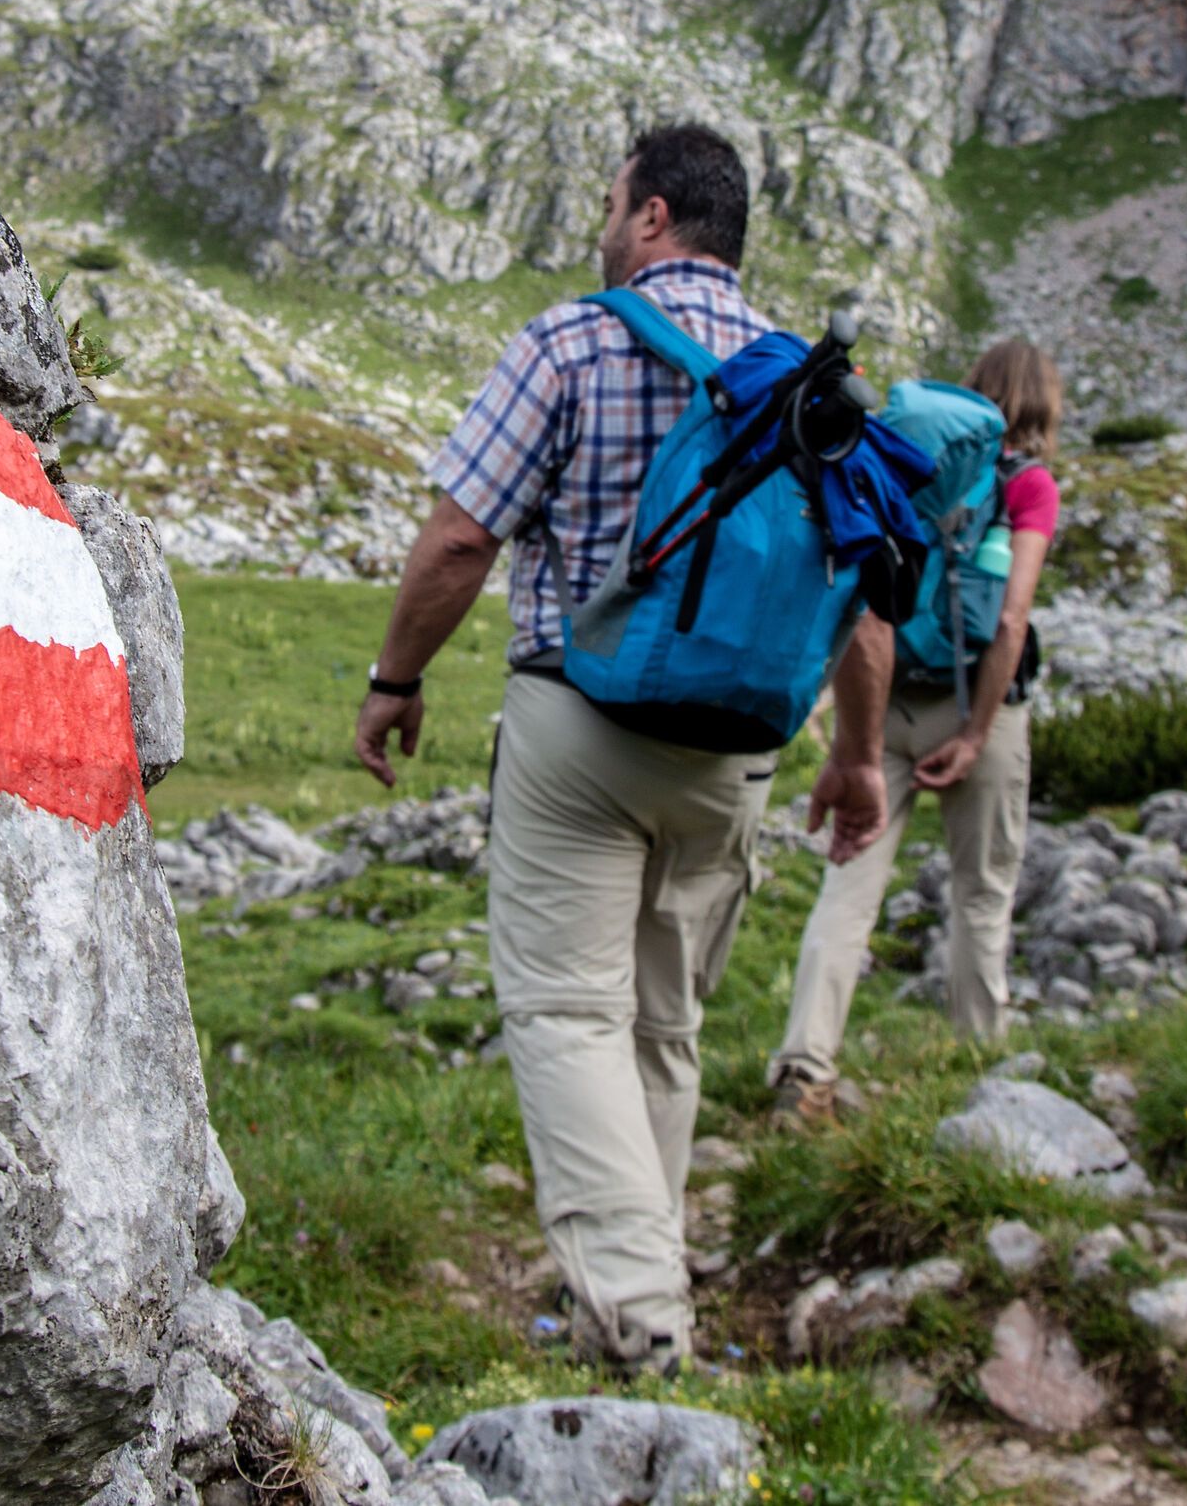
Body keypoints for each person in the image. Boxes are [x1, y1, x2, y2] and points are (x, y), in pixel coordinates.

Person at [350, 123, 889, 1376]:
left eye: (611, 204)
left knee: (565, 1014)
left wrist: (396, 679)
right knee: (662, 1026)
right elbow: (867, 605)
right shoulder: (804, 386)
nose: (603, 226)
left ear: (652, 218)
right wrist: (857, 758)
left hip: (578, 730)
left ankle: (644, 1322)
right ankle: (639, 1280)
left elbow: (458, 544)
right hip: (738, 756)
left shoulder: (571, 340)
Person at [769, 340, 1064, 1120]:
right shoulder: (1029, 487)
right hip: (981, 711)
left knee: (848, 886)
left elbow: (862, 584)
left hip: (887, 703)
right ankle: (979, 1073)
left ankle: (803, 1065)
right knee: (982, 892)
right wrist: (972, 733)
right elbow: (1010, 618)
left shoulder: (912, 464)